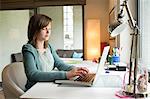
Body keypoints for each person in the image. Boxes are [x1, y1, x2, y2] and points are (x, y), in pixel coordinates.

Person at [22, 14, 89, 90]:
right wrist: (66, 75)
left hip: (48, 86)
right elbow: (33, 74)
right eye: (44, 28)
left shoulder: (49, 47)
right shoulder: (28, 49)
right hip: (35, 89)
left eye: (49, 29)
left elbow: (59, 64)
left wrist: (76, 69)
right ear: (35, 30)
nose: (48, 32)